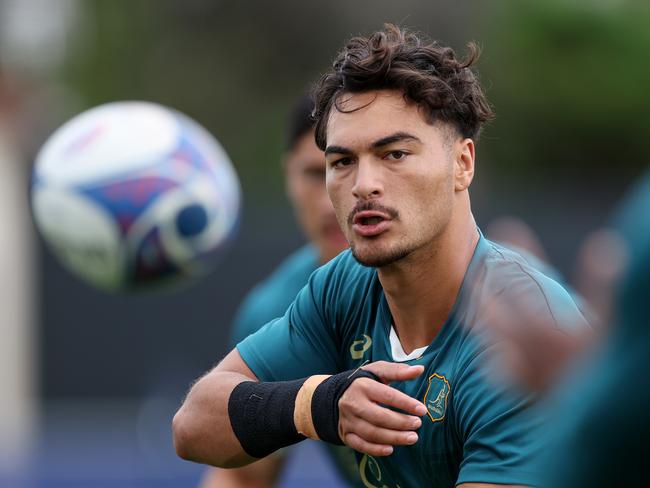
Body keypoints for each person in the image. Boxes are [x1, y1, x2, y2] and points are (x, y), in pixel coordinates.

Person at [173, 24, 589, 487]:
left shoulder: (514, 342)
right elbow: (192, 427)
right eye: (342, 161)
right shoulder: (340, 286)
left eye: (394, 154)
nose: (362, 184)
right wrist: (317, 406)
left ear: (462, 163)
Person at [199, 94, 360, 487]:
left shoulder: (489, 289)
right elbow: (246, 478)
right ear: (286, 175)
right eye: (312, 173)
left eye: (344, 166)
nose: (329, 201)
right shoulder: (272, 311)